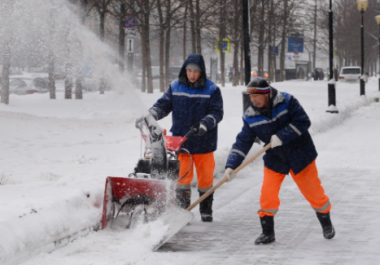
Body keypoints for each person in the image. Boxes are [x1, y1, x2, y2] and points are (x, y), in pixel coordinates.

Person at [224, 77, 335, 244]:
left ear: (266, 94)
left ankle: (326, 223)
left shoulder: (287, 101)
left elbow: (303, 121)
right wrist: (231, 165)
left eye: (256, 96)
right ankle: (267, 232)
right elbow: (243, 141)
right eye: (250, 97)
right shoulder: (250, 116)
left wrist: (282, 136)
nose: (253, 100)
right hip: (275, 158)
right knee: (267, 194)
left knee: (313, 192)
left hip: (300, 154)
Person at [137, 54, 224, 221]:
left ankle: (206, 211)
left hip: (204, 143)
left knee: (205, 180)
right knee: (182, 180)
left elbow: (217, 112)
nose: (192, 74)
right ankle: (182, 211)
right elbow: (163, 105)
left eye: (195, 71)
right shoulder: (175, 87)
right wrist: (149, 116)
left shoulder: (212, 89)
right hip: (182, 143)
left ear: (201, 72)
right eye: (189, 70)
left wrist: (204, 124)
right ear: (185, 70)